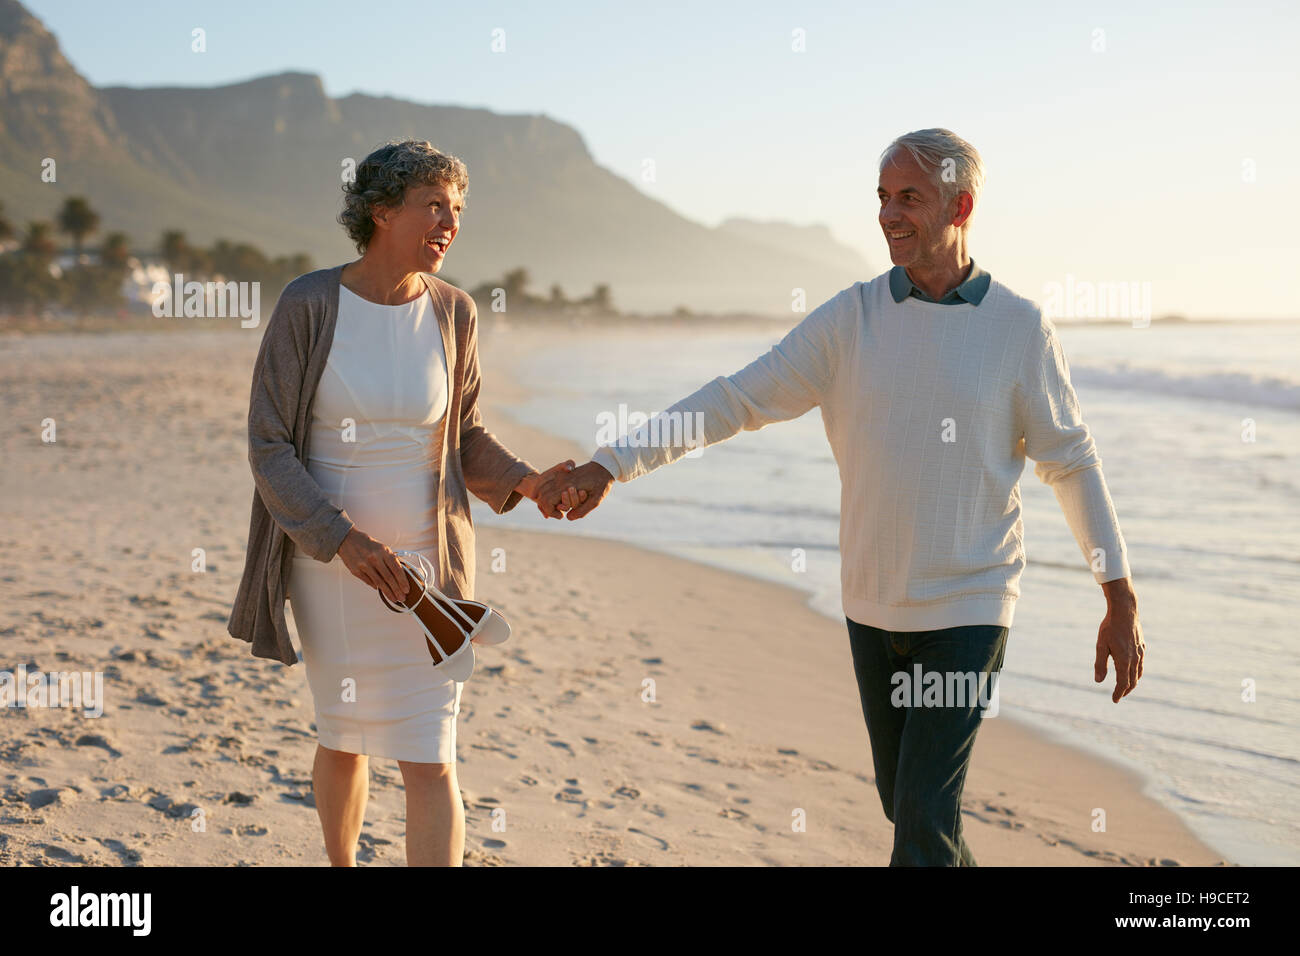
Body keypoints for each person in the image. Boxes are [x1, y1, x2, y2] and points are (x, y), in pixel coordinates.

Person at [537, 128, 1146, 866]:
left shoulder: (1018, 329)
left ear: (962, 204)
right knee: (913, 810)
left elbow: (1071, 464)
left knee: (921, 820)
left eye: (909, 198)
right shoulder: (850, 320)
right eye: (883, 197)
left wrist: (1119, 596)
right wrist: (611, 464)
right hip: (870, 605)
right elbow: (735, 400)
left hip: (969, 606)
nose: (890, 214)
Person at [227, 139, 579, 866]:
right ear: (381, 211)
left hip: (431, 570)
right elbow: (269, 445)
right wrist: (341, 540)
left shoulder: (454, 312)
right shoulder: (309, 304)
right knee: (344, 736)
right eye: (433, 205)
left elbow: (466, 434)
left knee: (431, 753)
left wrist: (528, 482)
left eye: (457, 208)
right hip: (331, 567)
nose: (449, 221)